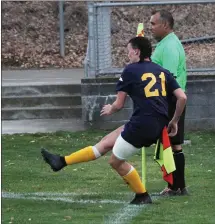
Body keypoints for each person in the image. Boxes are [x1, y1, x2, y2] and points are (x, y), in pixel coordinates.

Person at [41, 36, 187, 204]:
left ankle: (142, 195)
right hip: (155, 123)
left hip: (142, 124)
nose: (128, 55)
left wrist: (110, 108)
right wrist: (174, 121)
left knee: (115, 161)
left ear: (136, 51)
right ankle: (61, 161)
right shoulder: (162, 71)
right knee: (105, 144)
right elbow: (182, 97)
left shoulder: (130, 70)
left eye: (129, 51)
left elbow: (118, 104)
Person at [150, 10, 188, 196]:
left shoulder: (170, 46)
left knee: (171, 143)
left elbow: (169, 77)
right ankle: (178, 186)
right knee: (173, 143)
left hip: (170, 99)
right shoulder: (165, 43)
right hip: (169, 99)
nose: (151, 28)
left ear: (165, 25)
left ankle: (175, 186)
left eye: (153, 24)